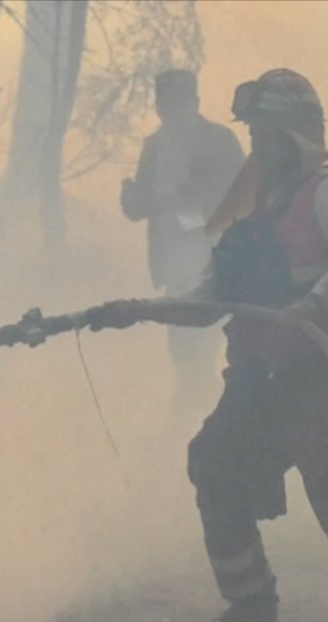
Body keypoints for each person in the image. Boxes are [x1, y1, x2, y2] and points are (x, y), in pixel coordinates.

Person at [88, 69, 328, 622]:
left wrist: (313, 303)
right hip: (258, 380)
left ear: (296, 140)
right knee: (214, 464)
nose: (256, 149)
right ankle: (252, 610)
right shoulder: (243, 213)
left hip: (320, 375)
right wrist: (136, 309)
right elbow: (209, 301)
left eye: (266, 137)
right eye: (254, 137)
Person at [120, 69, 245, 426]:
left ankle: (200, 418)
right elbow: (138, 207)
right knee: (182, 350)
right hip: (174, 266)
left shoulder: (220, 141)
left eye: (180, 104)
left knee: (207, 349)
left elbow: (237, 196)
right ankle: (193, 417)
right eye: (166, 105)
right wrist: (133, 199)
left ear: (195, 103)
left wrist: (174, 201)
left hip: (217, 263)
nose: (172, 112)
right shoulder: (153, 147)